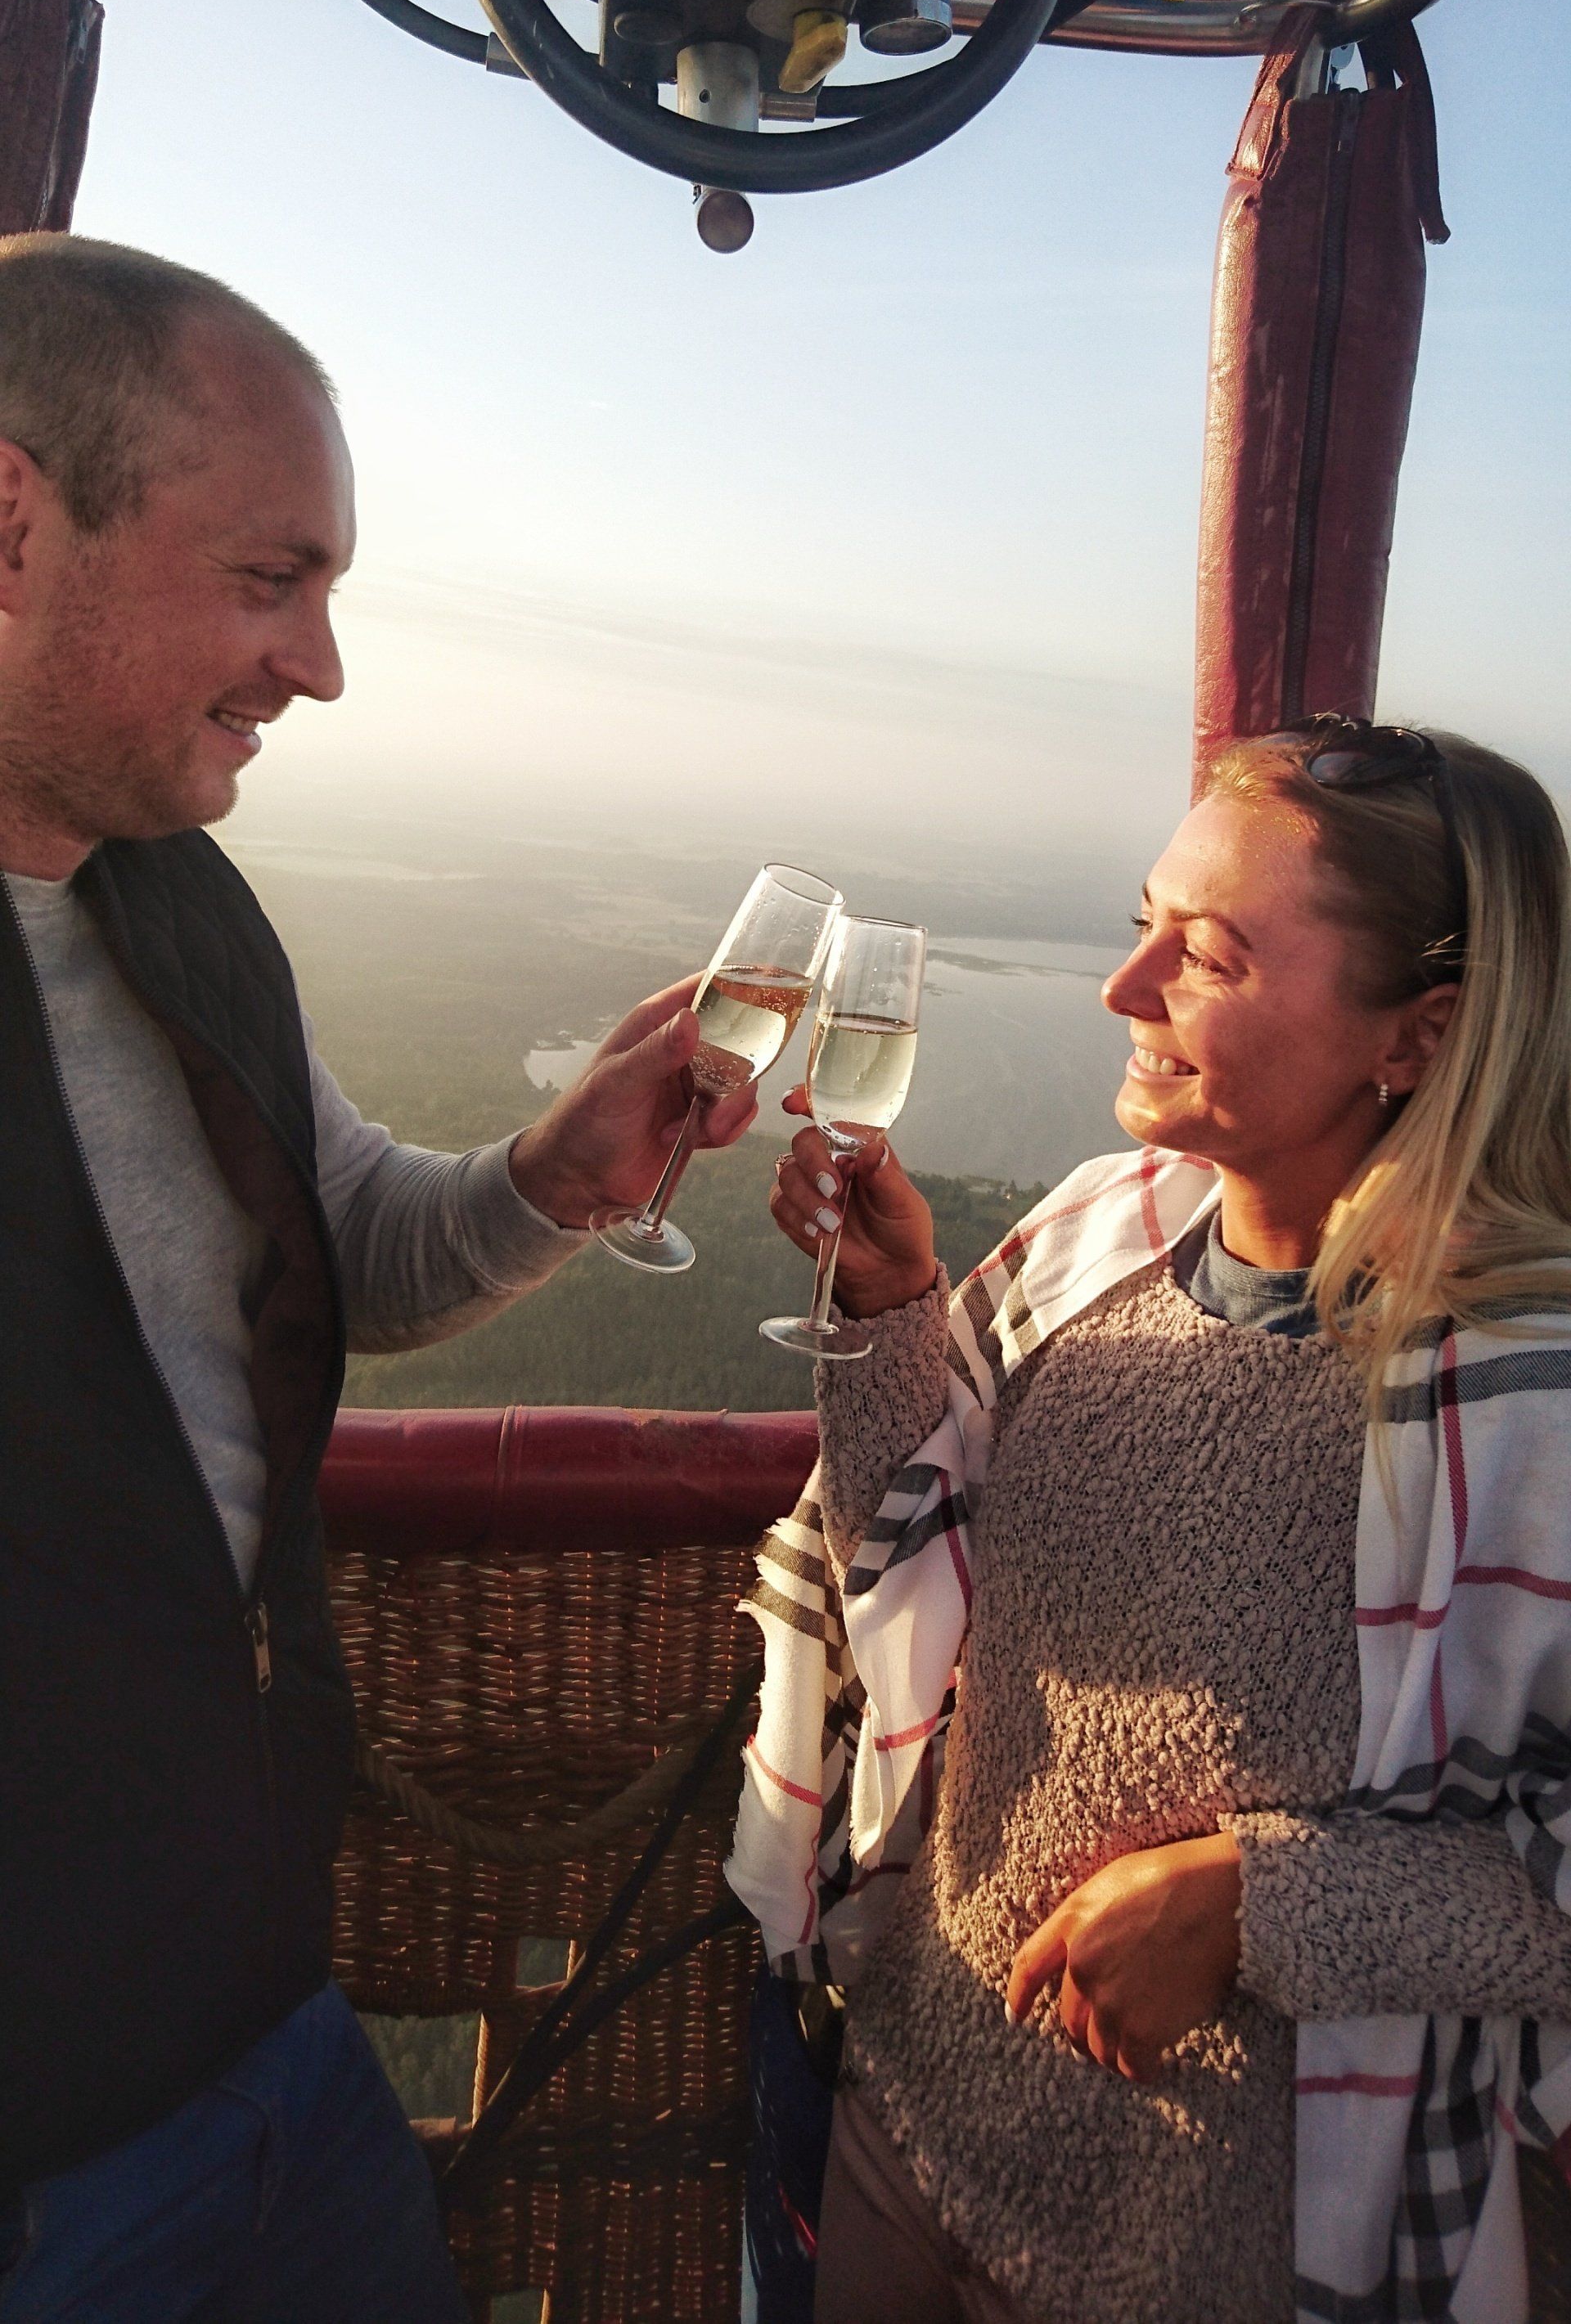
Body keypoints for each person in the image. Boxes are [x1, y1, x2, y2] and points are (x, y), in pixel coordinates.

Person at [0, 234, 758, 2324]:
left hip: (258, 2027)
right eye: (273, 578)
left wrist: (554, 1176)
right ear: (13, 521)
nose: (320, 669)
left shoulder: (177, 902)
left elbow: (336, 1256)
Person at [741, 718, 1571, 2323]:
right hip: (913, 2124)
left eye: (1208, 957)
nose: (1124, 991)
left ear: (1417, 1035)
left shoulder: (1527, 1409)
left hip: (1208, 2252)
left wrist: (1264, 1902)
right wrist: (895, 1311)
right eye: (1145, 926)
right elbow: (909, 1575)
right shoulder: (1092, 1245)